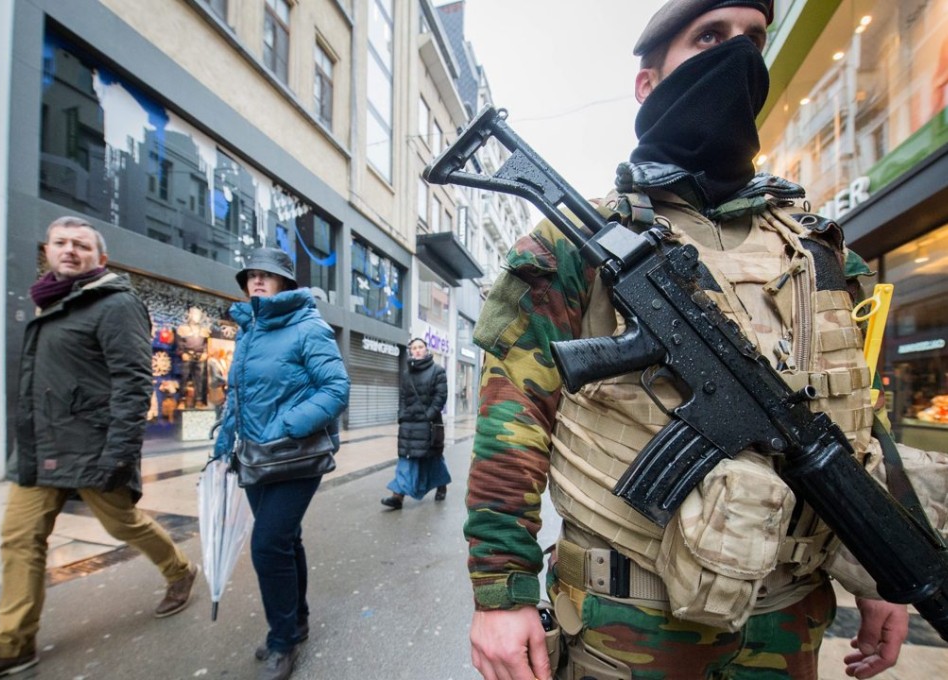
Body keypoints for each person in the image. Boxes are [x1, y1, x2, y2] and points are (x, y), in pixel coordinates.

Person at [462, 3, 911, 680]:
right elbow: (512, 417)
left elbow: (857, 420)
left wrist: (887, 568)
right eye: (709, 38)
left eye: (753, 40)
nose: (738, 57)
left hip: (786, 620)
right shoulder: (576, 244)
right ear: (647, 83)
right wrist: (502, 592)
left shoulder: (820, 252)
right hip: (627, 626)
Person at [0, 216, 197, 680]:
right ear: (47, 251)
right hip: (40, 447)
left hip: (91, 446)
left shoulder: (115, 303)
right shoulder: (51, 301)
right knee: (20, 540)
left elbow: (134, 381)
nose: (69, 250)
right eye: (60, 243)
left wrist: (119, 453)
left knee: (123, 523)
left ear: (100, 258)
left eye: (81, 245)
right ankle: (13, 644)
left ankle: (179, 570)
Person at [213, 247, 350, 680]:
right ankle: (299, 620)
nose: (256, 280)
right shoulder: (249, 330)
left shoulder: (307, 326)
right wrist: (222, 444)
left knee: (267, 545)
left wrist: (291, 425)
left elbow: (335, 387)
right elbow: (237, 395)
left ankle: (282, 641)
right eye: (251, 274)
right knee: (287, 541)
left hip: (297, 455)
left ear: (284, 284)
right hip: (255, 457)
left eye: (266, 275)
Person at [380, 337, 451, 510]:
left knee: (432, 458)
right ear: (411, 351)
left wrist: (428, 415)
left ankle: (441, 485)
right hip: (409, 424)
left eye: (420, 347)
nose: (417, 350)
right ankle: (398, 496)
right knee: (407, 457)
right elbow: (403, 397)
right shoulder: (407, 374)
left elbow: (440, 397)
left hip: (428, 424)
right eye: (414, 348)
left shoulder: (437, 371)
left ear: (426, 350)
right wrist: (401, 415)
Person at [177, 306, 211, 407]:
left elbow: (206, 343)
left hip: (200, 356)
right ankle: (182, 400)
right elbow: (179, 342)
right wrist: (182, 353)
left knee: (199, 379)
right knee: (184, 378)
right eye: (195, 314)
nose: (197, 317)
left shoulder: (204, 330)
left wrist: (205, 352)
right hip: (187, 354)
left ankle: (199, 400)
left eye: (198, 314)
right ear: (190, 315)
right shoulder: (183, 329)